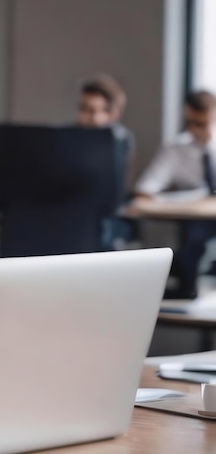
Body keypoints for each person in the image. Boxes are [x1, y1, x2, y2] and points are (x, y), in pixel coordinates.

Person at [133, 89, 216, 299]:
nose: (198, 131)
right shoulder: (175, 149)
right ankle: (187, 288)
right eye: (192, 123)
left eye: (204, 123)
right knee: (193, 236)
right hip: (196, 220)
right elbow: (145, 190)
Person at [76, 73, 135, 249]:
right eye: (83, 108)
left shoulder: (120, 140)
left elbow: (110, 191)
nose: (87, 116)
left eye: (94, 110)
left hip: (107, 216)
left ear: (113, 113)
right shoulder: (71, 137)